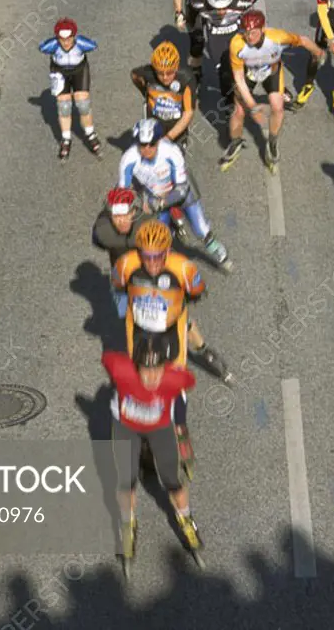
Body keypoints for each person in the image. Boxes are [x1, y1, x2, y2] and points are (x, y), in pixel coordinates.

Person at [93, 186, 232, 384]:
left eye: (125, 215)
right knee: (129, 321)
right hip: (130, 279)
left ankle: (203, 349)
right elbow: (117, 281)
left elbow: (161, 244)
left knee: (181, 316)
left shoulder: (149, 227)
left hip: (156, 279)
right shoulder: (107, 235)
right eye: (116, 216)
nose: (121, 221)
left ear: (134, 212)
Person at [110, 220, 205, 480]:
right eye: (146, 256)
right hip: (139, 334)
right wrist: (122, 309)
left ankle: (181, 430)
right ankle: (145, 448)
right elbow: (116, 285)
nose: (151, 263)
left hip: (170, 334)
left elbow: (198, 291)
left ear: (167, 252)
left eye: (157, 256)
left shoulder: (184, 268)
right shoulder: (128, 264)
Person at [102, 332, 203, 571]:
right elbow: (107, 358)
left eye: (157, 369)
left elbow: (186, 389)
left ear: (165, 366)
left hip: (159, 428)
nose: (150, 377)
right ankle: (128, 525)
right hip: (126, 427)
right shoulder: (119, 368)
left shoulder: (176, 379)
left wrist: (180, 426)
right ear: (133, 365)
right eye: (144, 370)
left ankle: (186, 519)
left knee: (171, 480)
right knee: (126, 481)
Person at [119, 119, 231, 270]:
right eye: (141, 144)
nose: (146, 149)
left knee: (200, 229)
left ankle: (219, 252)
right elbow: (123, 193)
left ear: (159, 141)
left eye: (151, 144)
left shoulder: (171, 152)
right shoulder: (129, 159)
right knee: (159, 239)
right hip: (155, 196)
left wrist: (160, 203)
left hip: (179, 192)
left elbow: (182, 189)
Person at [221, 9, 324, 173]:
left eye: (253, 32)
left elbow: (302, 40)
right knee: (239, 110)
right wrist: (253, 107)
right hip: (249, 74)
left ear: (263, 29)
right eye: (246, 33)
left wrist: (317, 51)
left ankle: (272, 142)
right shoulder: (237, 44)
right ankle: (235, 141)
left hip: (272, 72)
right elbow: (239, 79)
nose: (249, 37)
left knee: (278, 107)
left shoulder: (277, 37)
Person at [38, 18, 102, 160]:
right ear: (57, 38)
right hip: (60, 72)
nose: (66, 43)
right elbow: (41, 46)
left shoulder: (82, 44)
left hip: (79, 70)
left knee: (83, 104)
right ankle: (66, 139)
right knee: (64, 106)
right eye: (62, 39)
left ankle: (90, 134)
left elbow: (94, 44)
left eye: (69, 39)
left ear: (74, 36)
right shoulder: (52, 45)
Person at [188, 0, 262, 103]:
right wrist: (196, 31)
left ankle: (244, 88)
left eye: (224, 7)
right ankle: (228, 100)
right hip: (216, 37)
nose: (221, 12)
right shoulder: (200, 4)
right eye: (216, 8)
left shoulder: (240, 3)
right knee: (224, 70)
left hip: (235, 34)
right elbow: (190, 7)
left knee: (246, 63)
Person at [130, 42, 198, 149]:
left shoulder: (186, 79)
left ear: (176, 67)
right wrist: (145, 92)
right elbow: (134, 75)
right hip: (153, 127)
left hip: (176, 130)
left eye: (170, 72)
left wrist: (168, 138)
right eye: (160, 73)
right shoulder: (148, 74)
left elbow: (188, 113)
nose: (165, 77)